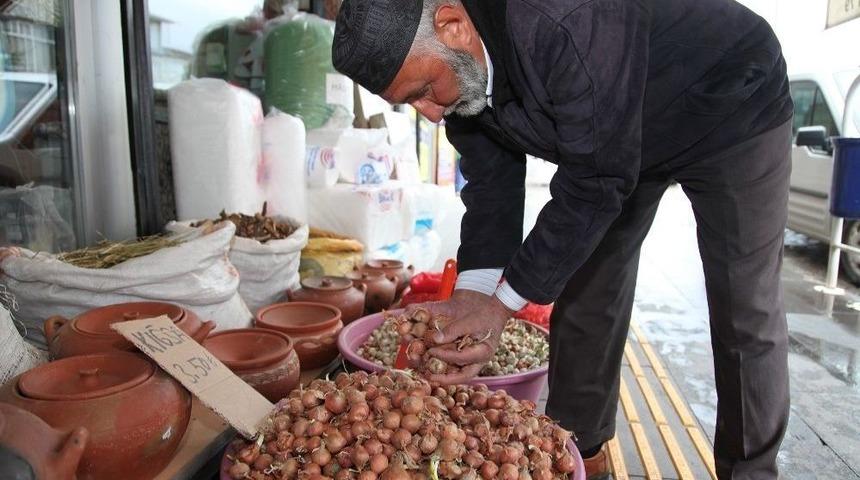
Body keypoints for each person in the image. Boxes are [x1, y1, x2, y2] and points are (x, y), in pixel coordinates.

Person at [332, 0, 793, 478]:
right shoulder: (457, 70)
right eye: (411, 102)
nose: (429, 114)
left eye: (425, 91)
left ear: (453, 25)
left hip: (730, 102)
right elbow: (491, 182)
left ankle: (750, 472)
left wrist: (502, 305)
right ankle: (581, 452)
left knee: (744, 308)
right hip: (615, 130)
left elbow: (595, 183)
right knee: (587, 291)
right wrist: (475, 294)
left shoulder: (563, 18)